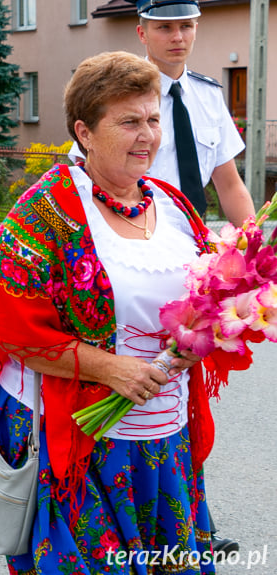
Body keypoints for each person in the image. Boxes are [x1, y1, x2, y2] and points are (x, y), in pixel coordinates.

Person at [0, 51, 233, 574]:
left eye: (152, 120)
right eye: (129, 122)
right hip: (80, 442)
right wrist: (113, 369)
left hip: (163, 436)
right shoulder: (49, 209)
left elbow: (208, 301)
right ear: (84, 132)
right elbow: (4, 326)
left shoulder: (174, 206)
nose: (148, 134)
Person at [130, 0, 250, 552]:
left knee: (187, 395)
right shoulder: (124, 92)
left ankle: (191, 523)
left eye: (186, 26)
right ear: (143, 31)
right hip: (135, 259)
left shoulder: (205, 96)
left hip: (194, 266)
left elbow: (227, 184)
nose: (177, 36)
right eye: (165, 27)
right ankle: (146, 521)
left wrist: (253, 256)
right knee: (144, 391)